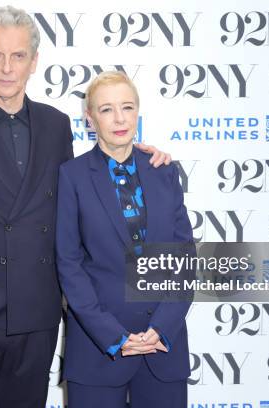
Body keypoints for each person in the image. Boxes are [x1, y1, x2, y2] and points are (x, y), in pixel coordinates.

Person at [0, 7, 172, 408]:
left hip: (36, 314)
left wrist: (135, 155)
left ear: (34, 63)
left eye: (18, 56)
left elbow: (87, 183)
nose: (6, 68)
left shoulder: (56, 126)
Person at [56, 71, 193, 407]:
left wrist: (162, 327)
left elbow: (183, 259)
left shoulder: (164, 171)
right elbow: (69, 265)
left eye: (127, 107)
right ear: (90, 119)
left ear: (137, 112)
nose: (119, 118)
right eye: (106, 110)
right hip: (97, 353)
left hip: (162, 349)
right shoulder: (71, 176)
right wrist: (112, 336)